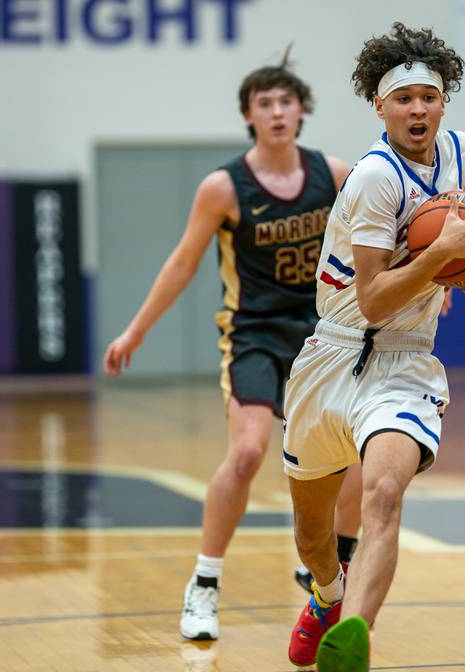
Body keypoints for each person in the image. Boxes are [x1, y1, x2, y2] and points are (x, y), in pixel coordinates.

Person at [281, 23, 465, 672]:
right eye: (402, 99)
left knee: (381, 494)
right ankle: (325, 593)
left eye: (428, 99)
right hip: (335, 352)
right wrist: (446, 257)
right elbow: (375, 298)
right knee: (314, 537)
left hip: (405, 365)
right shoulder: (377, 176)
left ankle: (353, 646)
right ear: (379, 108)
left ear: (444, 106)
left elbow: (451, 240)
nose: (416, 111)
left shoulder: (462, 153)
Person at [102, 53, 363, 641]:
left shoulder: (336, 174)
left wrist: (429, 275)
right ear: (248, 115)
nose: (276, 112)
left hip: (321, 334)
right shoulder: (224, 186)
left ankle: (328, 569)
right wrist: (136, 331)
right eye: (264, 104)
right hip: (252, 334)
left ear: (302, 111)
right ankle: (205, 583)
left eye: (285, 102)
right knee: (246, 454)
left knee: (350, 461)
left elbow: (381, 236)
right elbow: (183, 261)